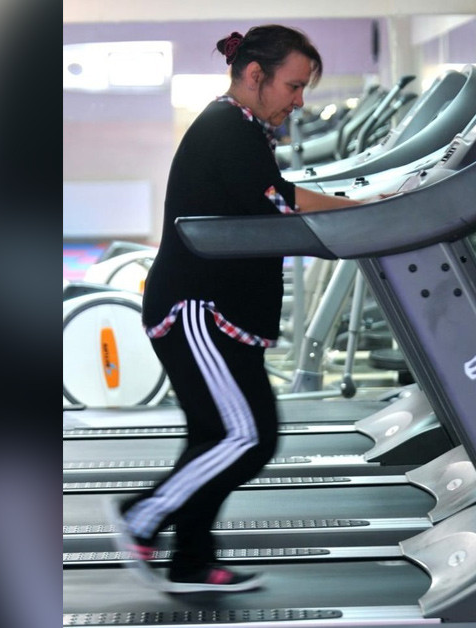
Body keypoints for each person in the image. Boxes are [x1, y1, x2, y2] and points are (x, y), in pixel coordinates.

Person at [106, 24, 361, 594]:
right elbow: (279, 205)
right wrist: (363, 208)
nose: (300, 100)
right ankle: (142, 516)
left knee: (215, 437)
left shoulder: (241, 128)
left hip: (215, 310)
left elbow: (273, 200)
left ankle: (192, 560)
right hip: (199, 309)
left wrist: (358, 206)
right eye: (294, 86)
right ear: (254, 75)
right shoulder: (227, 128)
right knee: (247, 437)